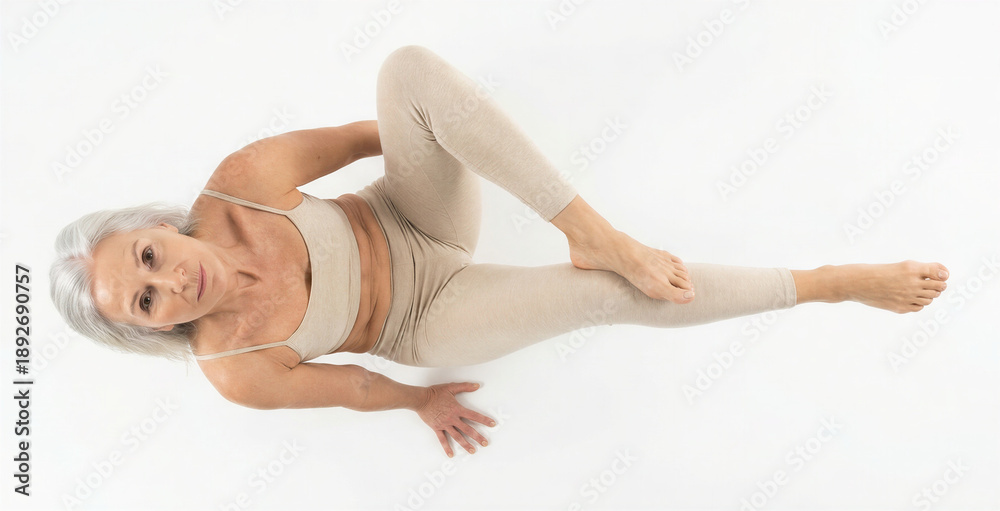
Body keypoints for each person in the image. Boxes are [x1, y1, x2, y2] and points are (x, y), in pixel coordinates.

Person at [50, 45, 949, 458]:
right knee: (608, 296)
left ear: (156, 225)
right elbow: (353, 384)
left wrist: (441, 133)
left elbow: (369, 135)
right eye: (146, 300)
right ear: (149, 330)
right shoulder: (236, 369)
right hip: (425, 316)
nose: (170, 279)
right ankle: (829, 284)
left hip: (414, 214)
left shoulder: (239, 182)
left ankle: (589, 229)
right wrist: (421, 401)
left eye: (147, 256)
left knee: (406, 70)